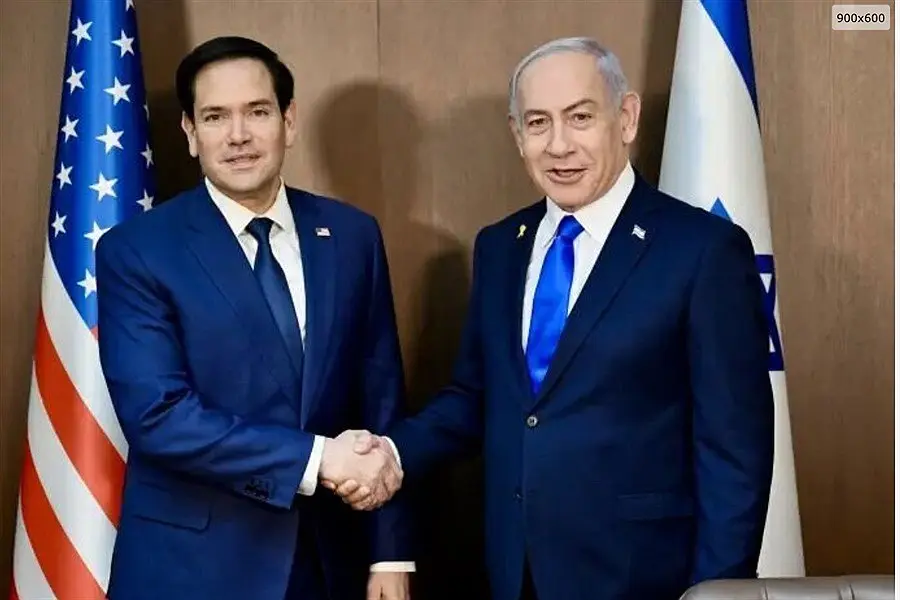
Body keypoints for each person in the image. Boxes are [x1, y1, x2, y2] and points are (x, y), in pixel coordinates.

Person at [331, 37, 775, 600]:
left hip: (643, 579)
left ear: (626, 118)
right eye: (538, 123)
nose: (559, 145)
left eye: (580, 117)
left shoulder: (703, 250)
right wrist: (392, 453)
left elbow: (735, 450)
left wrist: (717, 593)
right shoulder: (500, 246)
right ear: (517, 135)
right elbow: (475, 397)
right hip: (515, 573)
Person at [96, 36, 413, 600]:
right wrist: (320, 458)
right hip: (193, 571)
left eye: (257, 112)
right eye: (216, 116)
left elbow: (380, 399)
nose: (238, 135)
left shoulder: (352, 235)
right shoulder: (137, 251)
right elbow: (159, 416)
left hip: (328, 563)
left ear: (288, 121)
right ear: (190, 133)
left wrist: (390, 552)